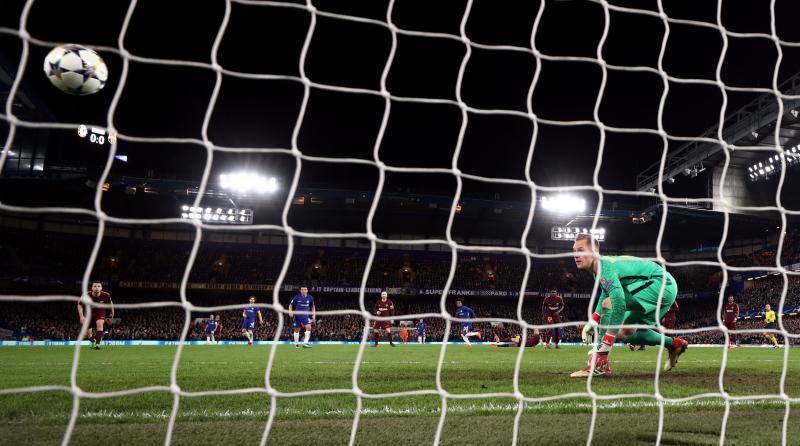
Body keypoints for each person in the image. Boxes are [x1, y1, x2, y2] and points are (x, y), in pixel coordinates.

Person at [570, 234, 687, 378]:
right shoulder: (599, 269)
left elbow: (618, 304)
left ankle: (600, 363)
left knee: (611, 304)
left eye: (580, 250)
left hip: (660, 283)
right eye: (574, 251)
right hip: (658, 285)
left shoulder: (605, 268)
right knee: (624, 332)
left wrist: (604, 345)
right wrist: (594, 319)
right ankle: (674, 344)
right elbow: (606, 293)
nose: (575, 255)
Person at [76, 282, 114, 350]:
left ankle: (97, 344)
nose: (97, 288)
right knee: (86, 335)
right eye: (95, 286)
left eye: (99, 286)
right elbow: (79, 304)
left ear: (101, 288)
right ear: (92, 288)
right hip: (89, 314)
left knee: (100, 324)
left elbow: (111, 304)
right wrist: (81, 316)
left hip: (100, 312)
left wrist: (112, 312)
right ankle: (93, 340)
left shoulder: (106, 295)